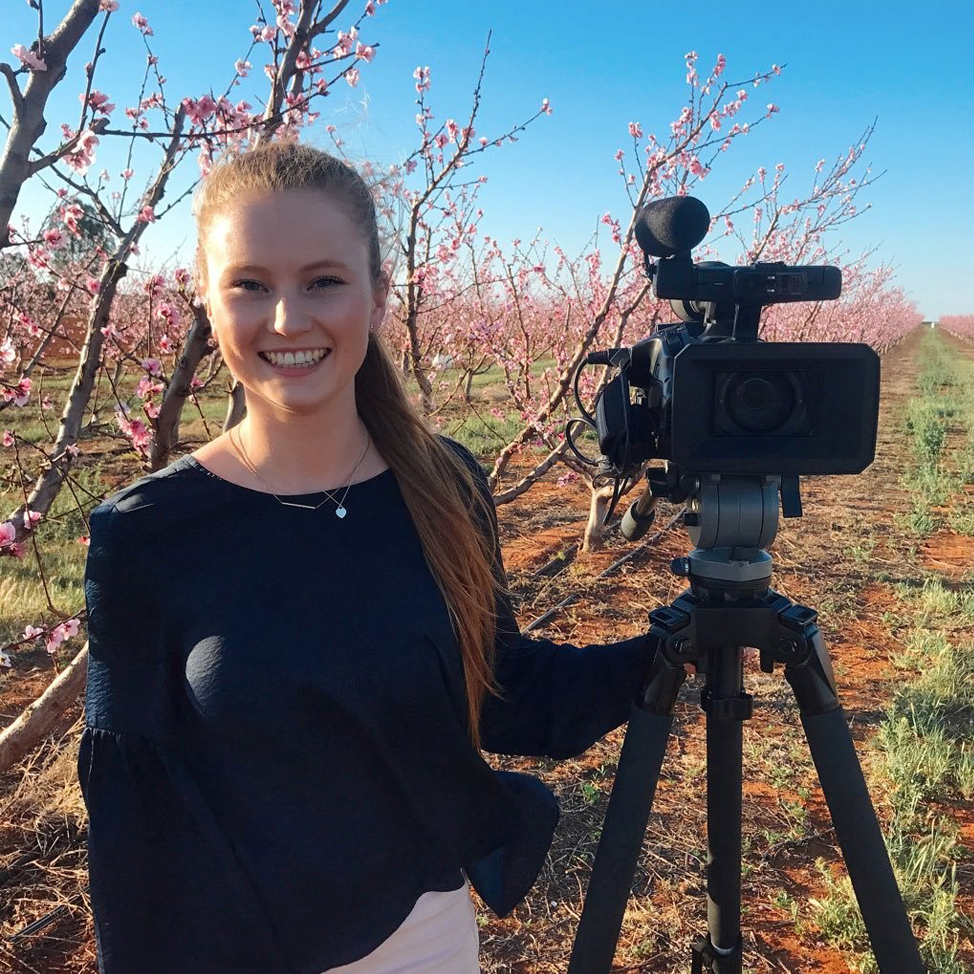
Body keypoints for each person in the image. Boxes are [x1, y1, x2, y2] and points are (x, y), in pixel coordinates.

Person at [78, 140, 652, 974]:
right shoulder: (147, 533)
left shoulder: (444, 481)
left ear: (378, 296)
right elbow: (131, 815)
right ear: (205, 302)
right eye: (249, 285)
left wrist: (663, 654)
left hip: (419, 939)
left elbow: (497, 690)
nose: (287, 319)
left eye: (323, 281)